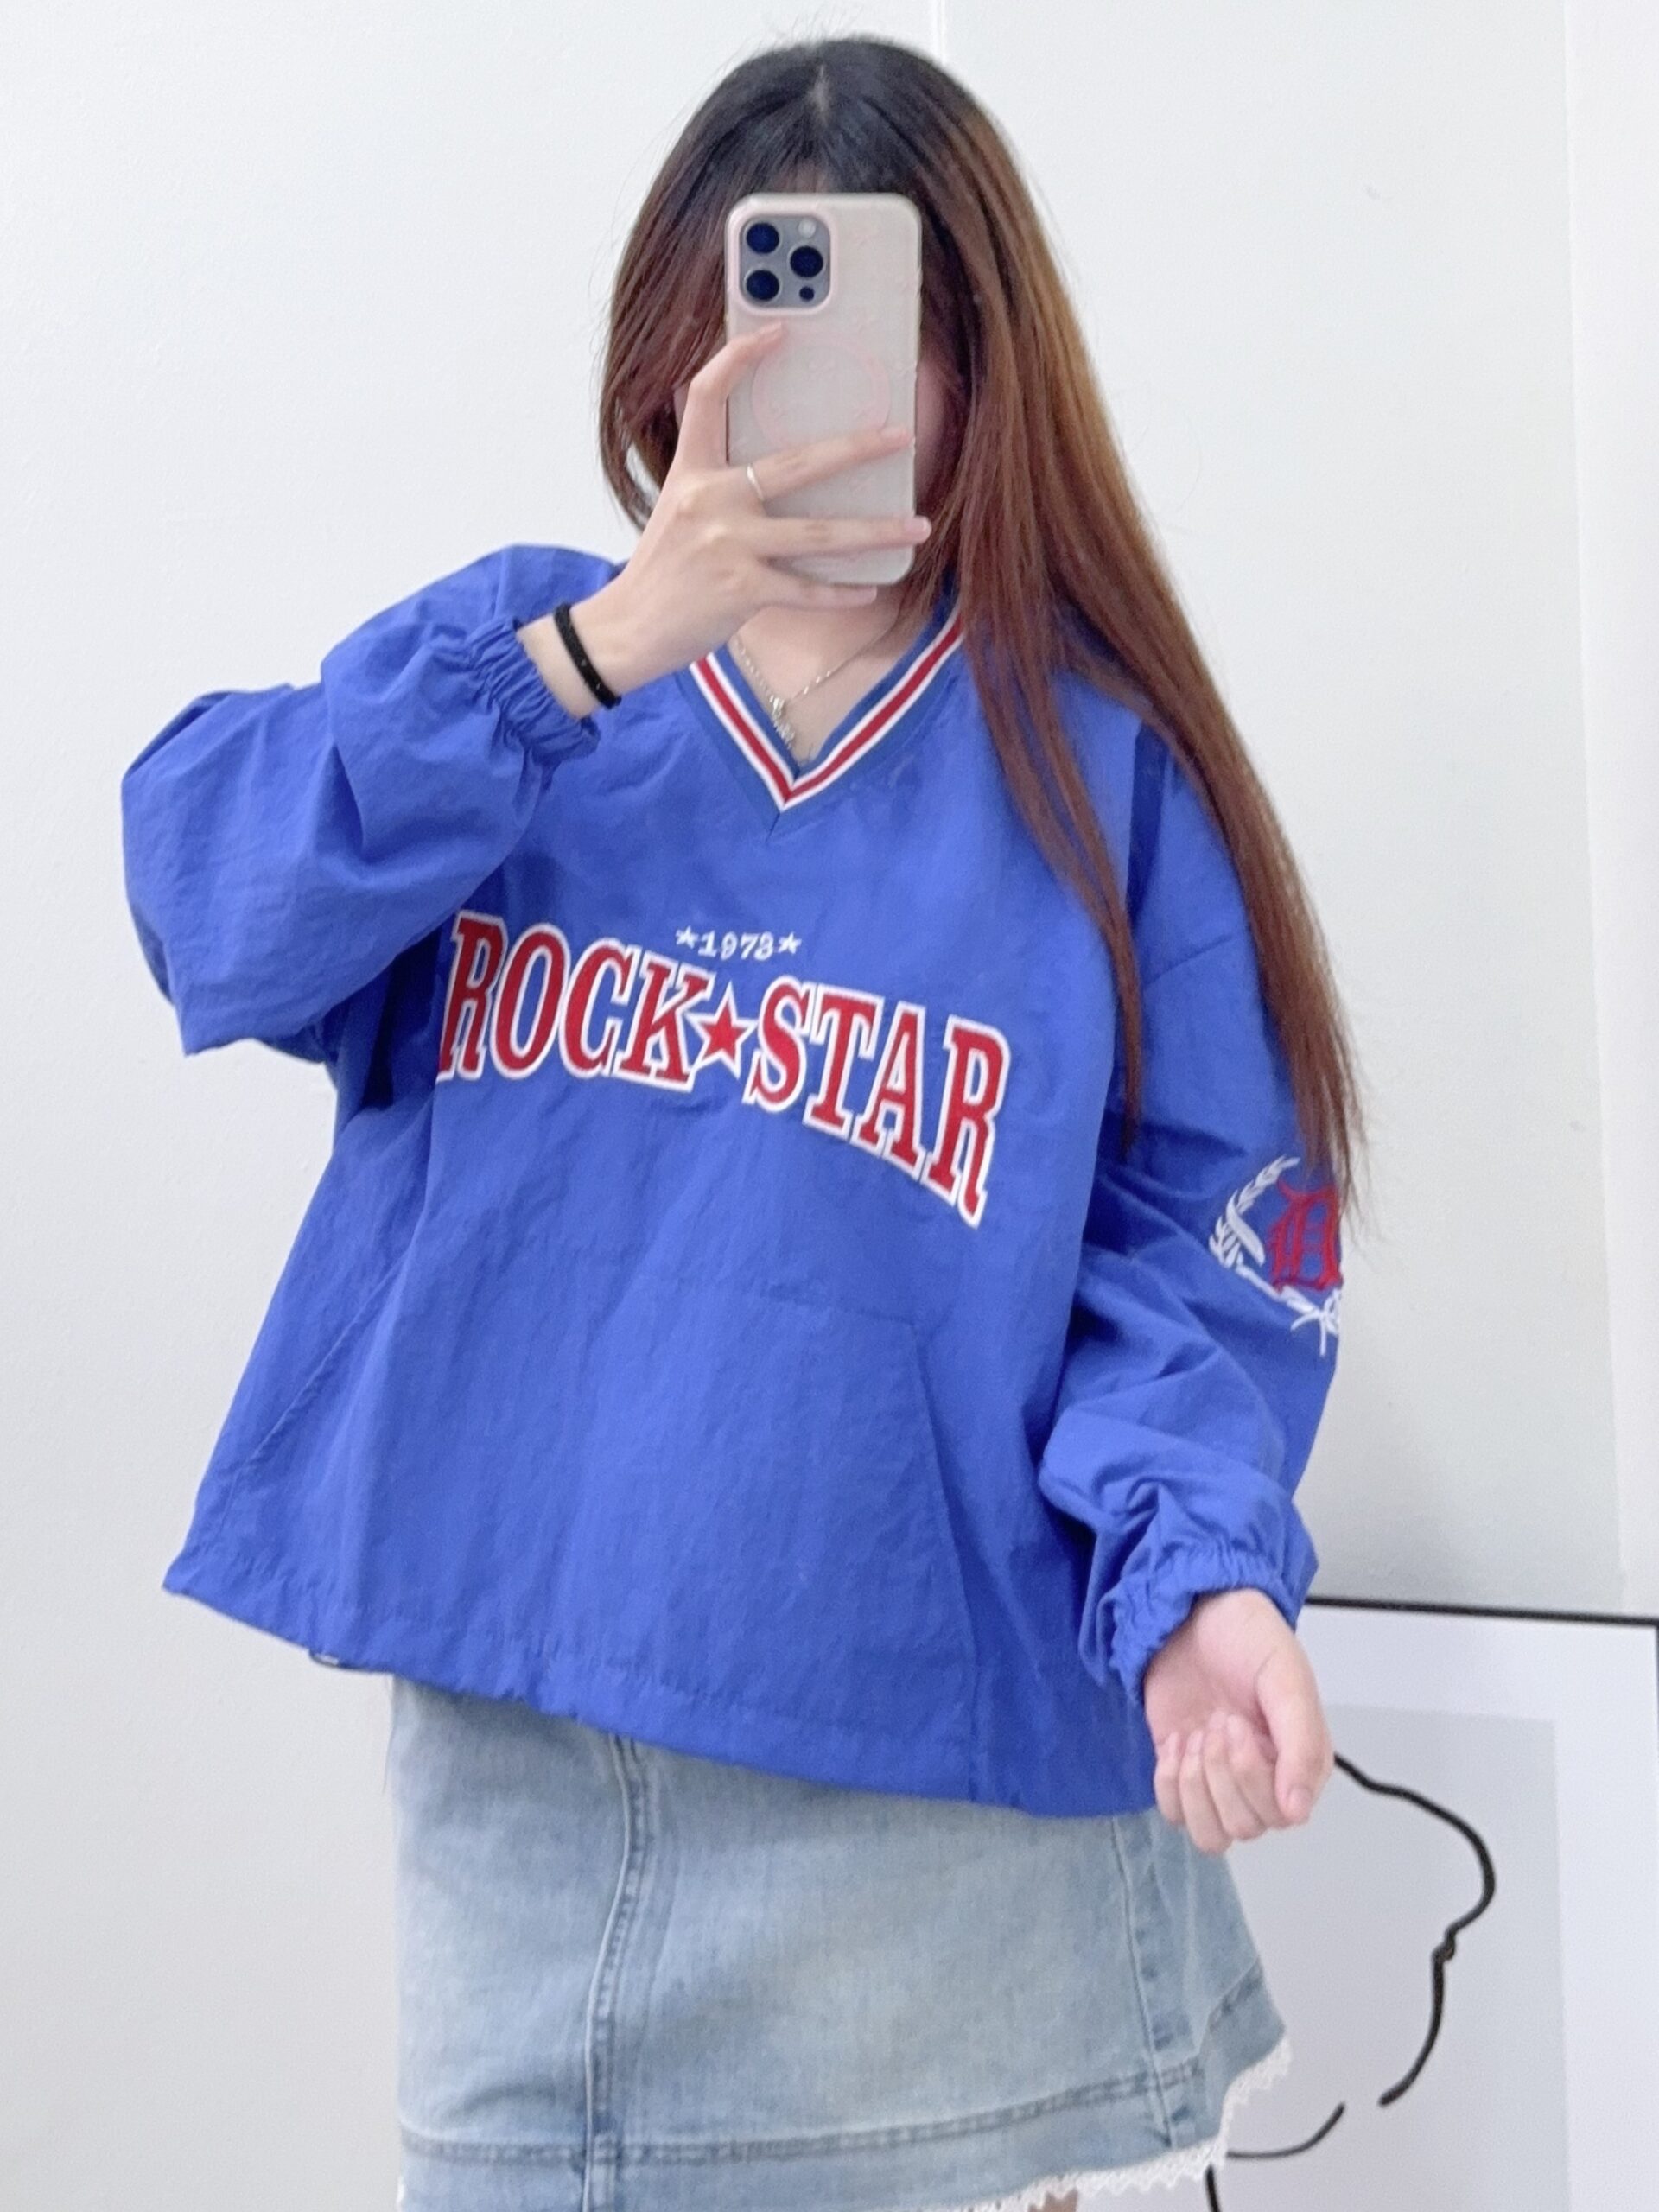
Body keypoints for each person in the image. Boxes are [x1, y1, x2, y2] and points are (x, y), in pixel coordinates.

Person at [119, 32, 1368, 2212]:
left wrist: (1198, 1584)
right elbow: (210, 897)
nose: (782, 379)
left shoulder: (1093, 774)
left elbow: (1198, 1255)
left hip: (928, 1837)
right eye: (738, 318)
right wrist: (604, 649)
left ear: (974, 368)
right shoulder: (521, 677)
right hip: (529, 1787)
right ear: (659, 344)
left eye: (852, 321)